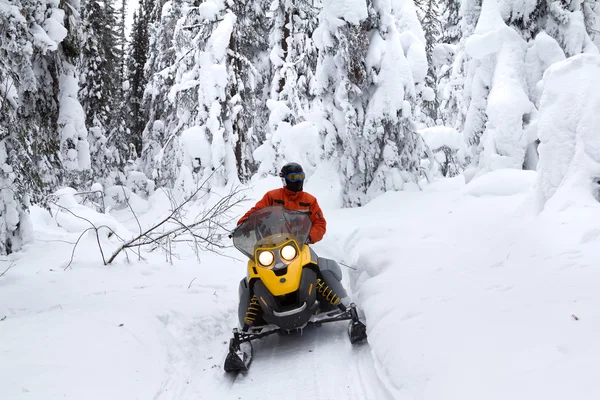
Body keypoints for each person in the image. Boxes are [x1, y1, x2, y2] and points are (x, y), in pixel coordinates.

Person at [237, 162, 326, 244]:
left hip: (299, 245)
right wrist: (243, 225)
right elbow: (257, 211)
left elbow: (320, 223)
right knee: (256, 261)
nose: (297, 180)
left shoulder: (310, 201)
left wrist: (309, 237)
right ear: (284, 179)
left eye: (300, 177)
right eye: (293, 177)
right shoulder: (272, 196)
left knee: (311, 261)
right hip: (272, 242)